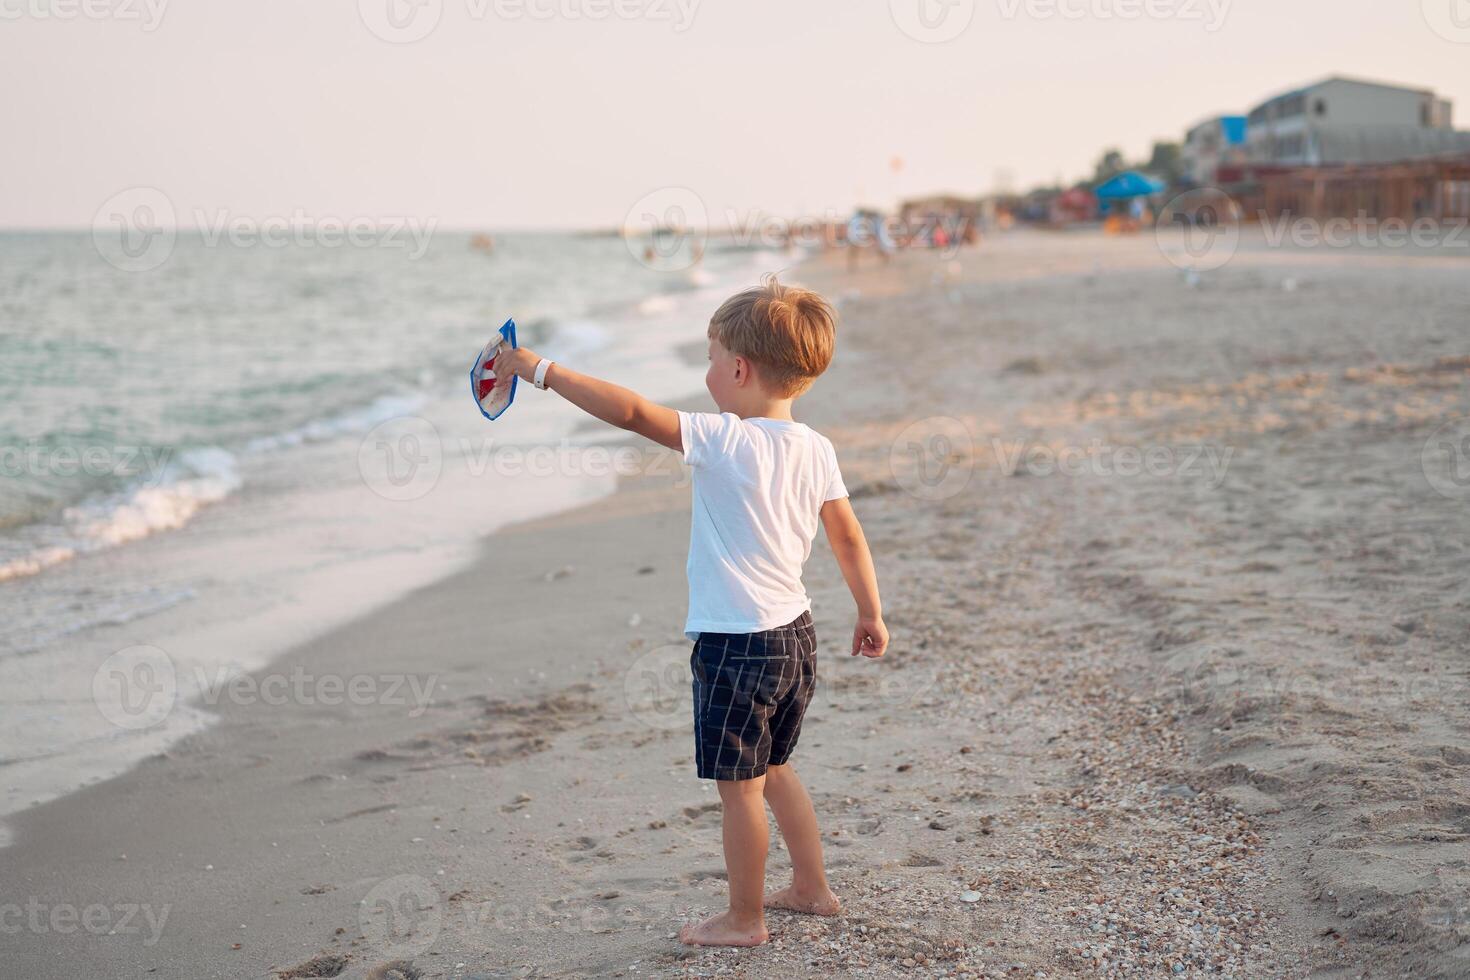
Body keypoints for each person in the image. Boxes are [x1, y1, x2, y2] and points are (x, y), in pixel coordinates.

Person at [494, 276, 889, 947]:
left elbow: (631, 412)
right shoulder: (814, 448)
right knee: (778, 768)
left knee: (740, 788)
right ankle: (813, 888)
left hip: (737, 642)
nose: (708, 372)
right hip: (797, 635)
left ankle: (746, 918)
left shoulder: (724, 440)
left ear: (739, 369)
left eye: (710, 359)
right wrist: (869, 612)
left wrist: (538, 369)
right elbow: (847, 534)